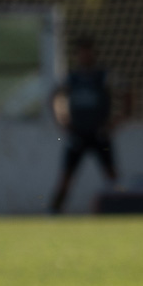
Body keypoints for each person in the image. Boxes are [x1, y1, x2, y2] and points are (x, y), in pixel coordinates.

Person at [49, 37, 118, 214]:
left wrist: (118, 120)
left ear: (93, 54)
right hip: (78, 133)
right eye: (81, 52)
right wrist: (61, 120)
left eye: (88, 52)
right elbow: (55, 97)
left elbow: (126, 93)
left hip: (99, 132)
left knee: (111, 175)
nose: (85, 56)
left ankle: (119, 209)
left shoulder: (103, 76)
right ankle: (54, 211)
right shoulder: (72, 78)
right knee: (66, 175)